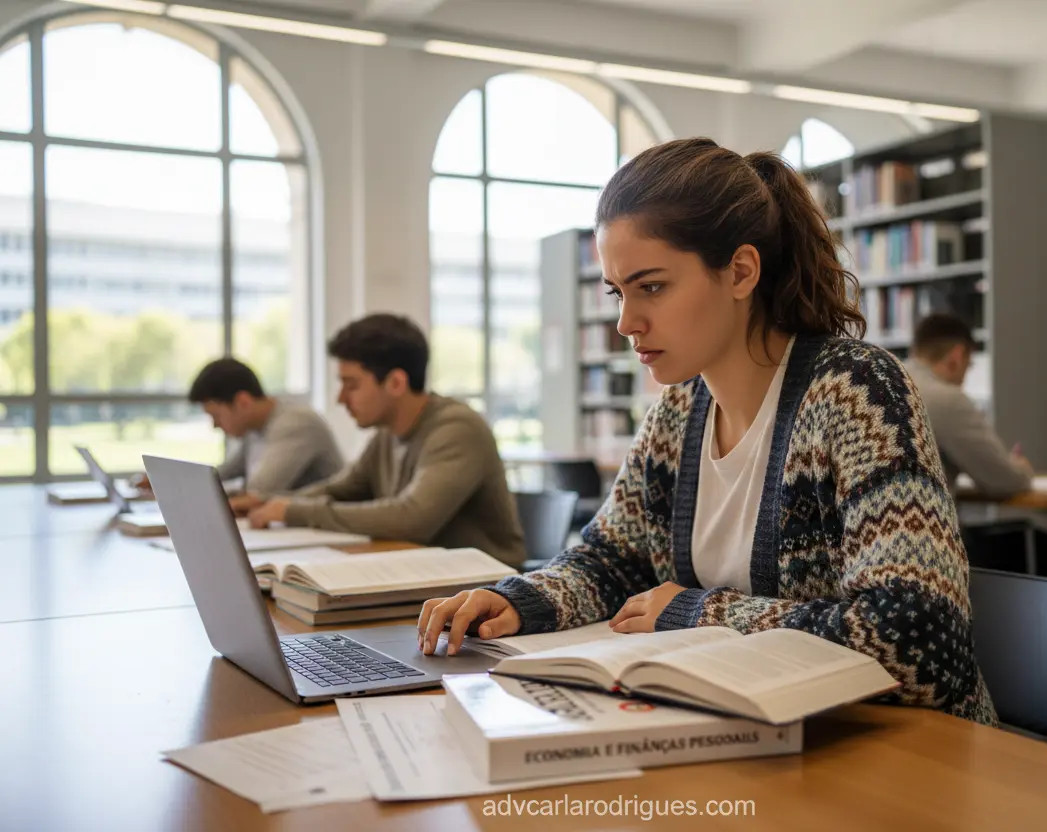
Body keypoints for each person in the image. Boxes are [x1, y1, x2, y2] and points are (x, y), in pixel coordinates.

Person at [418, 137, 997, 726]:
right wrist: (517, 600)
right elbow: (610, 561)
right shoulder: (678, 410)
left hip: (906, 753)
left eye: (652, 286)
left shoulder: (857, 391)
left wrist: (699, 613)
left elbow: (921, 641)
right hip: (754, 734)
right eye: (619, 293)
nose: (626, 323)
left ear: (741, 271)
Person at [245, 313, 527, 567]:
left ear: (395, 383)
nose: (340, 399)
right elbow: (341, 489)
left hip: (483, 592)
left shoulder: (458, 428)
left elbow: (412, 519)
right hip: (420, 572)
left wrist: (292, 511)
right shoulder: (386, 433)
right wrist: (271, 503)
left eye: (351, 384)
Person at [904, 313, 1047, 576]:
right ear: (957, 355)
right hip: (931, 551)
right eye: (969, 365)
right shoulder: (946, 399)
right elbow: (1006, 480)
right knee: (1040, 543)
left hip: (876, 546)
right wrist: (1021, 467)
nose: (965, 374)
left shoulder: (888, 382)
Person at [135, 358, 343, 511]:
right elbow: (223, 473)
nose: (215, 426)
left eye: (216, 415)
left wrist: (184, 497)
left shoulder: (296, 424)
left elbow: (259, 493)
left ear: (242, 402)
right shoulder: (254, 428)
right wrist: (170, 482)